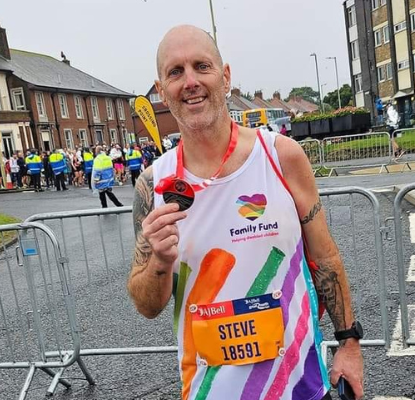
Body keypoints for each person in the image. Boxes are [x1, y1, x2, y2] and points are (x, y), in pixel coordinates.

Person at [127, 25, 364, 400]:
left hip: (298, 386)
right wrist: (159, 259)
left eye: (201, 66)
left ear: (225, 77)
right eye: (175, 72)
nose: (190, 82)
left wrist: (348, 342)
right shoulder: (152, 184)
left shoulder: (281, 156)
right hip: (210, 391)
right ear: (161, 90)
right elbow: (146, 305)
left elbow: (325, 257)